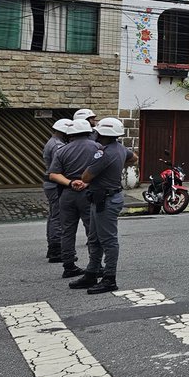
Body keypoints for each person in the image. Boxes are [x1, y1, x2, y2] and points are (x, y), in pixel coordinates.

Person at [67, 118, 135, 294]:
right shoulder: (120, 149)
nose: (94, 133)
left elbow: (85, 177)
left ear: (102, 134)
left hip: (106, 200)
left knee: (108, 240)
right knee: (94, 238)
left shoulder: (104, 154)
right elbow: (134, 158)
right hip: (103, 198)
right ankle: (92, 272)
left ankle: (109, 278)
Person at [48, 119, 100, 282]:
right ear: (88, 132)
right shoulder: (97, 148)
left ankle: (69, 266)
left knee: (67, 231)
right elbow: (102, 170)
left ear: (70, 134)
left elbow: (53, 174)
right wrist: (86, 182)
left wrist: (71, 183)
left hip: (67, 194)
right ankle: (96, 266)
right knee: (92, 230)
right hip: (88, 193)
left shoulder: (62, 150)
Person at [42, 119, 72, 263]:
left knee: (54, 215)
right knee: (58, 217)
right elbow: (60, 166)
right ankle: (56, 250)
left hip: (51, 184)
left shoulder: (53, 142)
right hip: (55, 184)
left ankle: (53, 247)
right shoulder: (57, 146)